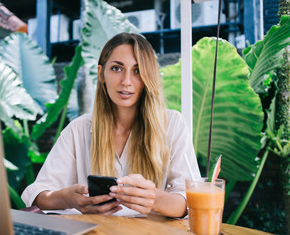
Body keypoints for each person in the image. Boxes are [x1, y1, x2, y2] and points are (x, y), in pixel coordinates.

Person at [21, 32, 200, 217]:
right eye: (116, 68)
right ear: (101, 74)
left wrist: (154, 198)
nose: (126, 82)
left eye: (137, 70)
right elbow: (37, 194)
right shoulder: (79, 129)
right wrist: (68, 198)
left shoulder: (172, 124)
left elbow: (190, 202)